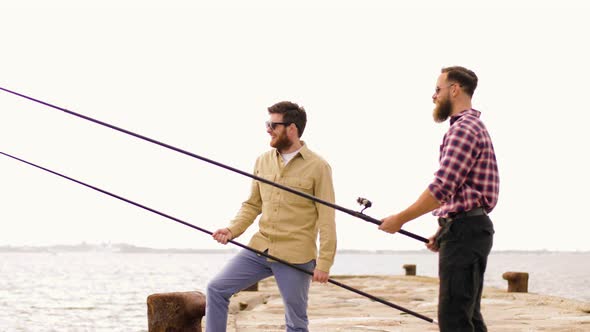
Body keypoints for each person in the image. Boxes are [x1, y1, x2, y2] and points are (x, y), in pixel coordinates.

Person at [378, 66, 499, 332]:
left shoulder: (463, 129)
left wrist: (400, 219)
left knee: (454, 318)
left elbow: (443, 187)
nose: (434, 96)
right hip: (467, 230)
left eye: (437, 89)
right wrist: (443, 229)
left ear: (454, 89)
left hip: (466, 234)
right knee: (469, 316)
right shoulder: (471, 126)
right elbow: (462, 193)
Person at [205, 101, 337, 332]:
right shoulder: (262, 160)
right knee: (217, 288)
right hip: (260, 248)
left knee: (296, 322)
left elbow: (327, 218)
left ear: (292, 128)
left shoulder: (319, 167)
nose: (268, 129)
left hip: (296, 256)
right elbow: (252, 204)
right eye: (268, 123)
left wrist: (324, 263)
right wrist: (232, 230)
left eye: (273, 124)